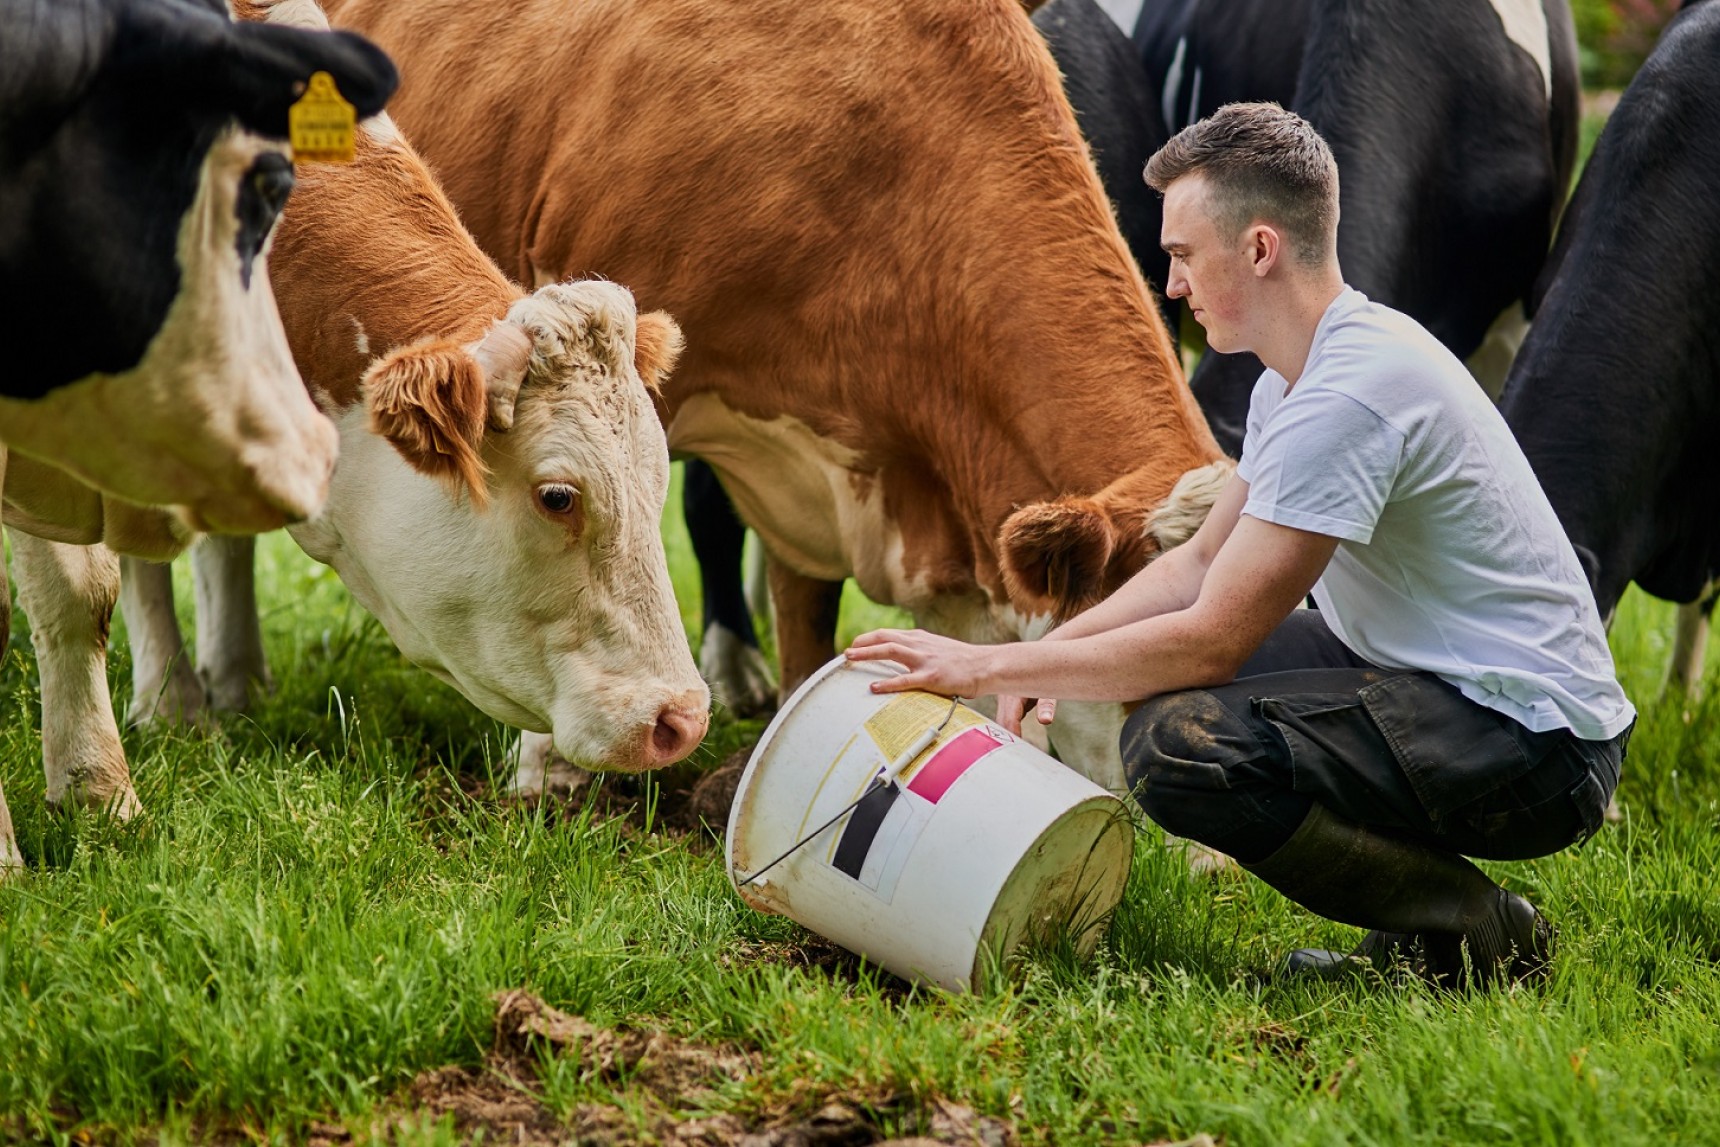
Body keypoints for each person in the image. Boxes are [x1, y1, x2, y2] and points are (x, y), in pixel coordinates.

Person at [844, 102, 1634, 988]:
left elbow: (1212, 635)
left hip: (1537, 747)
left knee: (1179, 743)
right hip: (1445, 683)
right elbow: (1192, 566)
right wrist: (1040, 653)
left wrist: (977, 668)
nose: (1171, 283)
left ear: (1259, 249)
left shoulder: (1350, 396)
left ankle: (1475, 929)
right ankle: (1421, 933)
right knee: (1176, 696)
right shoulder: (1298, 379)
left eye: (1182, 255)